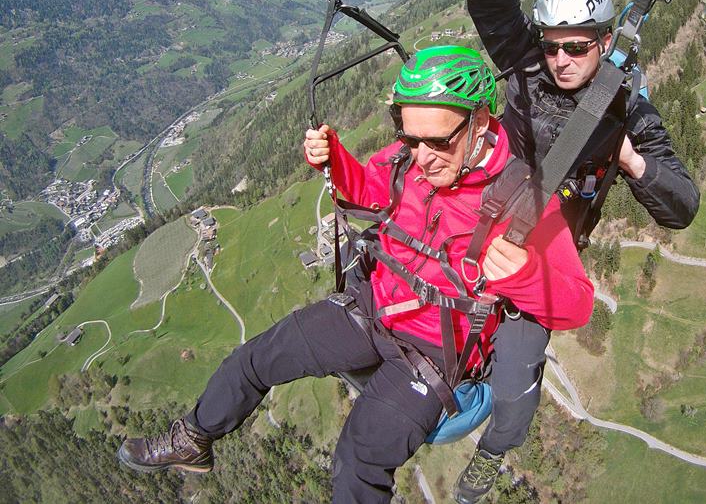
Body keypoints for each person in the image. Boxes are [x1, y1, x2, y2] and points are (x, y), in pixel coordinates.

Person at [117, 46, 593, 504]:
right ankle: (194, 437)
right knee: (257, 357)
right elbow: (367, 188)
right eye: (410, 138)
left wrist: (527, 275)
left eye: (438, 141)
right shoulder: (411, 160)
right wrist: (333, 158)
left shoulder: (524, 204)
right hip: (371, 309)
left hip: (432, 355)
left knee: (359, 459)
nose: (423, 157)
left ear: (481, 122)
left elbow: (577, 304)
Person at [452, 0, 701, 503]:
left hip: (543, 257)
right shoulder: (525, 65)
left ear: (605, 42)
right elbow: (491, 7)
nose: (561, 60)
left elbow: (683, 204)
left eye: (578, 47)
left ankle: (492, 454)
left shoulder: (626, 108)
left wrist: (629, 159)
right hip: (480, 220)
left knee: (514, 390)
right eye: (553, 44)